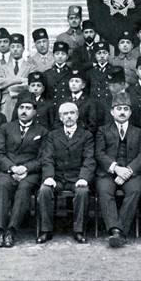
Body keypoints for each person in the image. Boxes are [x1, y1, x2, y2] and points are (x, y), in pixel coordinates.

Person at [0, 93, 48, 248]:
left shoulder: (42, 131)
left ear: (34, 112)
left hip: (30, 172)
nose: (24, 111)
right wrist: (12, 168)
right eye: (21, 107)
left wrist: (26, 168)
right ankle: (0, 231)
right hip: (8, 169)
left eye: (28, 108)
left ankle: (11, 231)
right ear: (17, 110)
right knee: (2, 186)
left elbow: (44, 158)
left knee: (24, 189)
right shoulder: (6, 128)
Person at [37, 102, 95, 244]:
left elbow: (89, 159)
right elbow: (47, 158)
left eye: (72, 113)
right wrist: (49, 176)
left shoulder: (86, 135)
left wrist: (83, 178)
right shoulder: (53, 135)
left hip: (76, 177)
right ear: (60, 118)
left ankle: (79, 230)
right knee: (44, 190)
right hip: (57, 177)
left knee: (82, 192)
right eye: (65, 114)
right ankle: (46, 230)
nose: (69, 116)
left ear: (77, 115)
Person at [95, 92, 141, 248]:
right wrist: (116, 169)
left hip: (131, 174)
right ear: (112, 112)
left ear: (130, 112)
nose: (122, 112)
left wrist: (128, 171)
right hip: (108, 173)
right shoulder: (102, 130)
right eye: (119, 108)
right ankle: (116, 229)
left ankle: (119, 231)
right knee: (104, 191)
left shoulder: (139, 132)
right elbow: (99, 153)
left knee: (135, 190)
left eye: (126, 108)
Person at [0, 33, 34, 121]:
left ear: (23, 49)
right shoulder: (3, 67)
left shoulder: (31, 67)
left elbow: (31, 84)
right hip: (6, 106)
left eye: (18, 46)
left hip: (24, 104)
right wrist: (19, 80)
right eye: (12, 47)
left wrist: (9, 88)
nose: (15, 49)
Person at [56, 69, 98, 135]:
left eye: (77, 81)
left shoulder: (90, 101)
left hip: (82, 137)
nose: (73, 84)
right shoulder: (63, 101)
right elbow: (57, 122)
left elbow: (92, 125)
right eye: (71, 81)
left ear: (83, 85)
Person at [43, 42, 72, 107]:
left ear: (67, 56)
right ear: (53, 55)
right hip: (50, 108)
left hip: (66, 108)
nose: (60, 56)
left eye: (63, 54)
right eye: (57, 54)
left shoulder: (71, 73)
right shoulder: (46, 74)